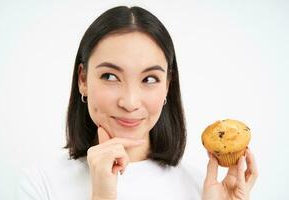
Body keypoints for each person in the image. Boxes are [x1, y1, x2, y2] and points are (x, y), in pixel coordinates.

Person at [16, 5, 258, 200]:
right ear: (83, 80)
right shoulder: (40, 184)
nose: (130, 102)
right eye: (110, 76)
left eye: (150, 79)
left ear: (167, 86)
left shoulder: (203, 189)